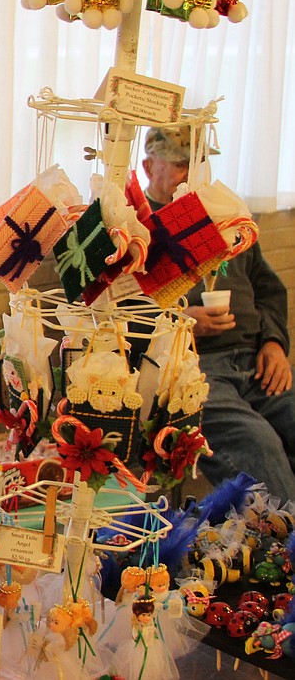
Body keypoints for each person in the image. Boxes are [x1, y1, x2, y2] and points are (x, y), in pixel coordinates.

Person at [140, 125, 295, 501]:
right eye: (180, 165)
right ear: (149, 167)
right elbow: (119, 315)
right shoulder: (135, 228)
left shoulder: (221, 215)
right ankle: (284, 550)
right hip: (194, 371)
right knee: (259, 444)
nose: (191, 175)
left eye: (199, 163)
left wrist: (274, 343)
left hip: (256, 361)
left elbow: (269, 289)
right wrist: (183, 318)